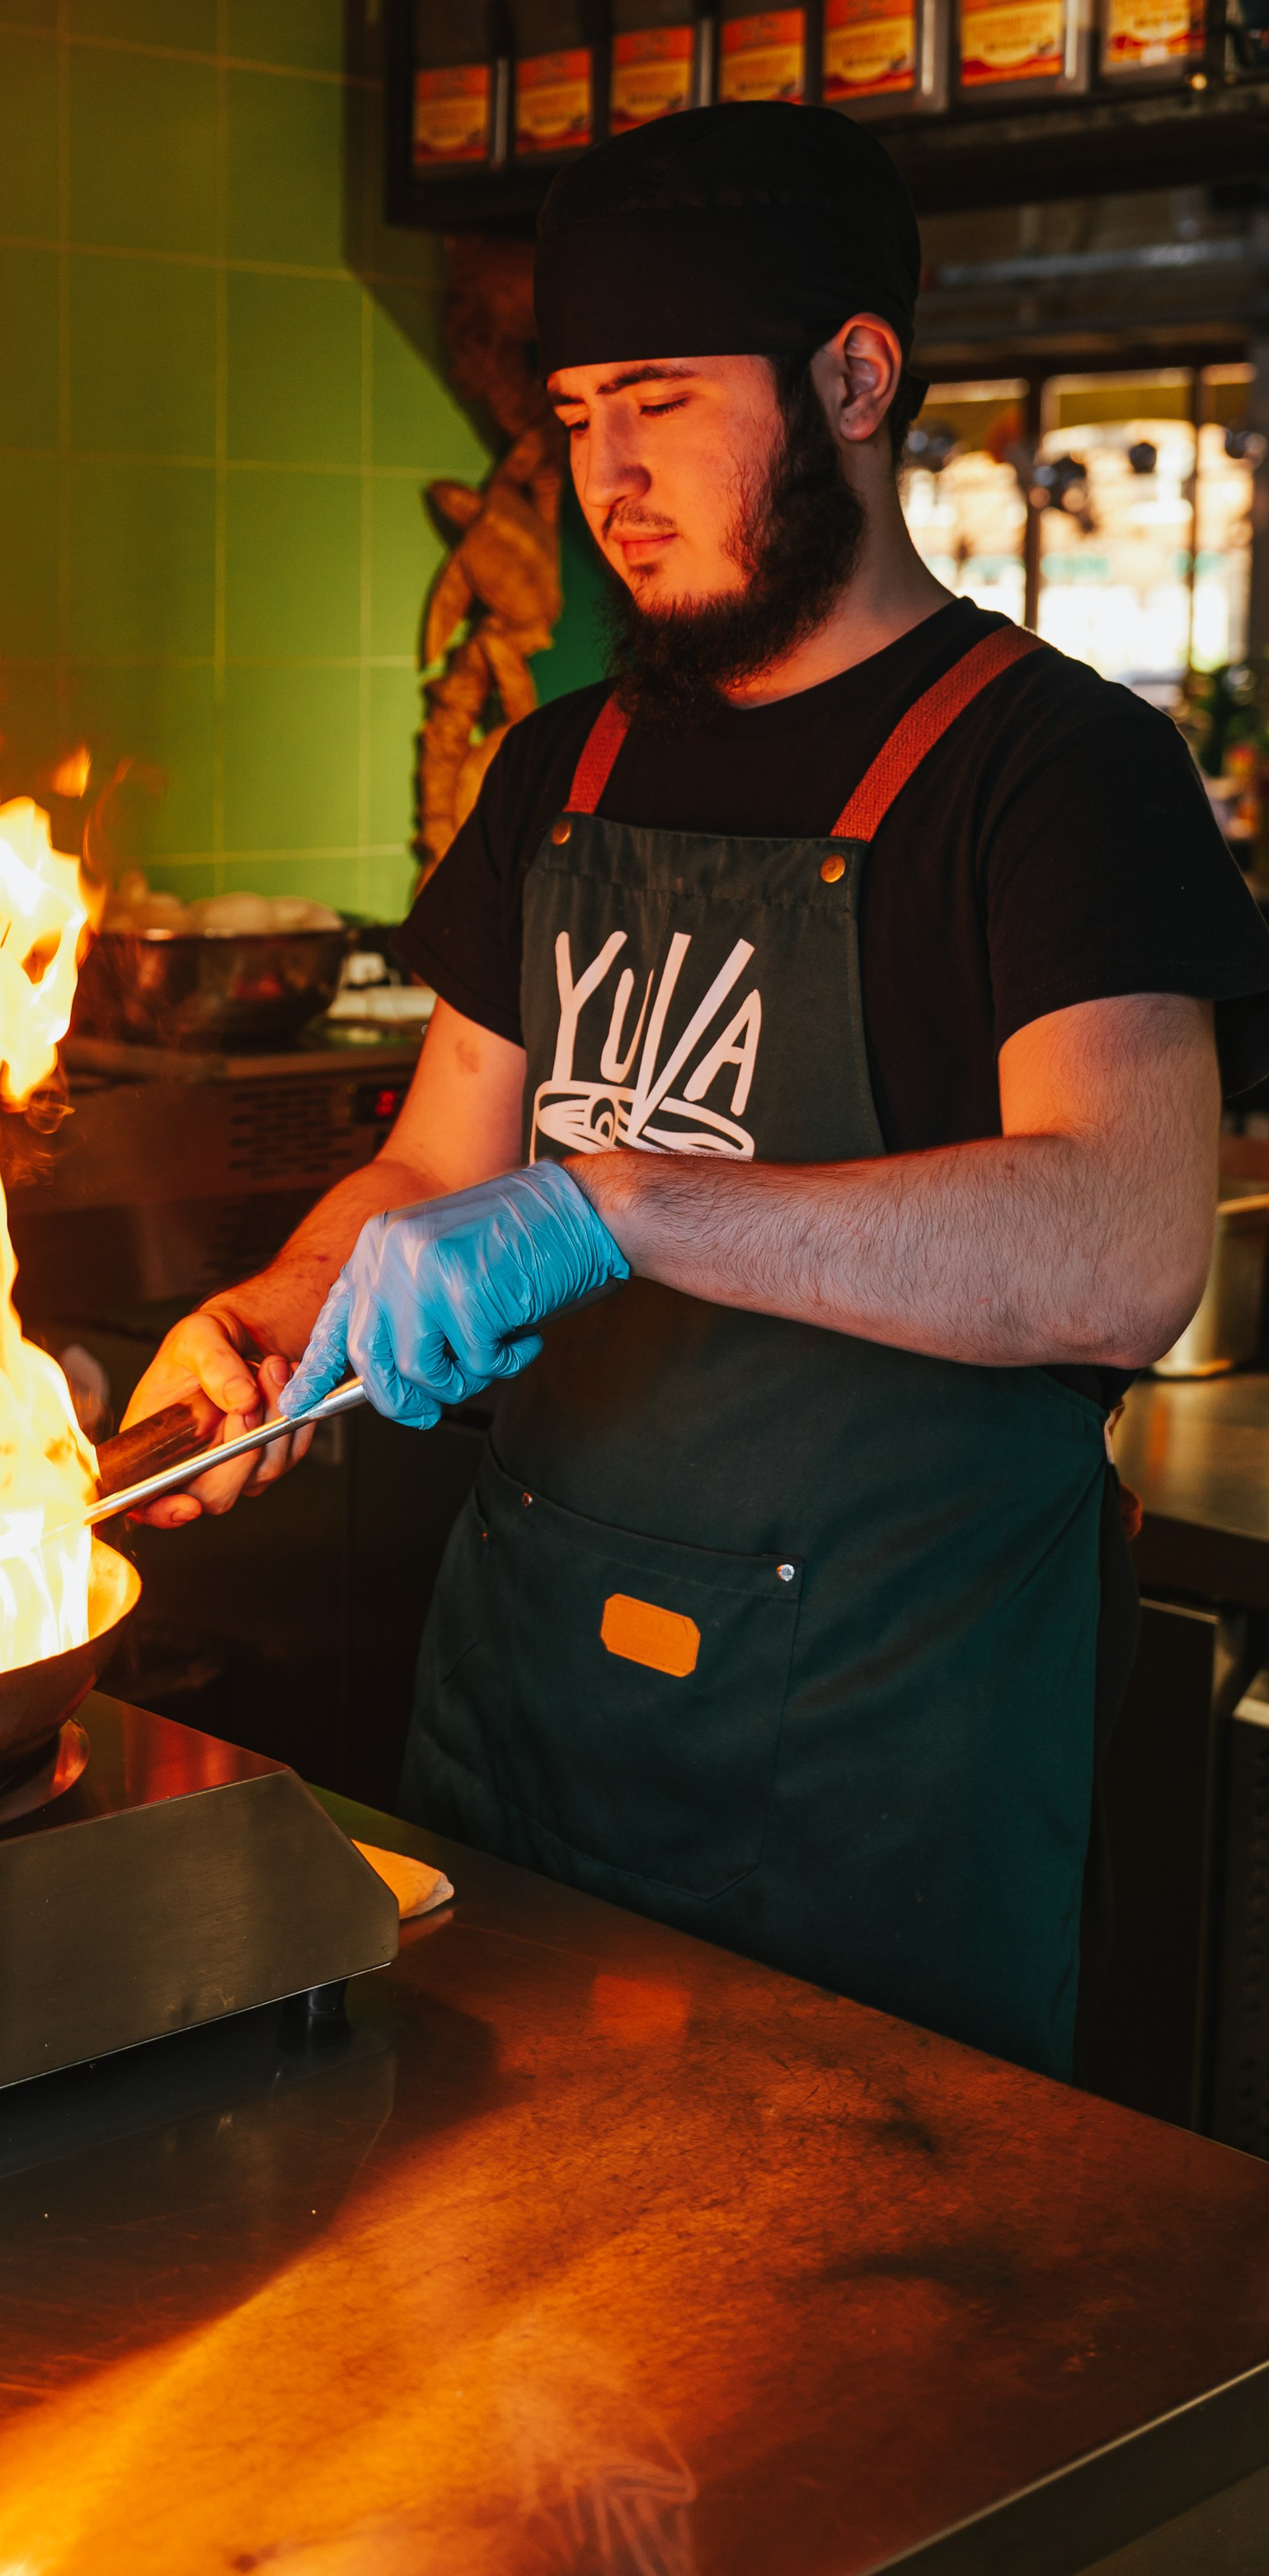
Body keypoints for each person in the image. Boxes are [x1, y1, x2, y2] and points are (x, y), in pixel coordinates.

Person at [120, 101, 1269, 2078]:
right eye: (573, 413)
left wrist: (614, 1206)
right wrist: (267, 1325)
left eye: (656, 399)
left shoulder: (1054, 775)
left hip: (878, 1781)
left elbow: (1114, 1245)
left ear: (850, 375)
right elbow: (427, 1162)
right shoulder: (555, 770)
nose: (605, 479)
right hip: (526, 1726)